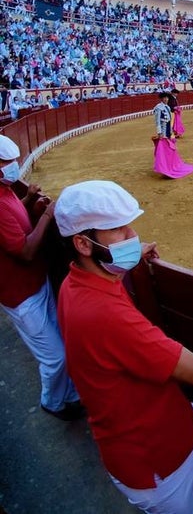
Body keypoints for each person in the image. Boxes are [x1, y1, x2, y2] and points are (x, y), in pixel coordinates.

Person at [55, 180, 193, 513]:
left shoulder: (77, 281)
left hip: (171, 418)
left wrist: (130, 258)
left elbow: (106, 285)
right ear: (83, 244)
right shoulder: (104, 315)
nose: (131, 236)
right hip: (153, 458)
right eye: (117, 231)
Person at [0, 134, 83, 420]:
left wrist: (27, 200)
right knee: (55, 356)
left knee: (58, 341)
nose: (12, 166)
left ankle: (70, 395)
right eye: (6, 162)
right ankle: (52, 403)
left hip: (35, 282)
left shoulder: (5, 189)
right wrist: (47, 214)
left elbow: (11, 221)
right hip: (19, 293)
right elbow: (24, 250)